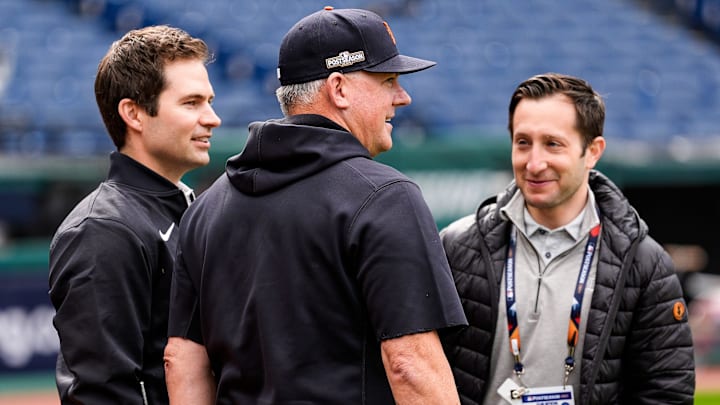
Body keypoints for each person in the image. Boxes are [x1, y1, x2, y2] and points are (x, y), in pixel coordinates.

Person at [164, 6, 467, 404]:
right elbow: (410, 366)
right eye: (388, 80)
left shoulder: (206, 208)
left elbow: (182, 360)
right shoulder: (385, 196)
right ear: (339, 88)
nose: (403, 97)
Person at [440, 73, 695, 404]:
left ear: (592, 151)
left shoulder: (644, 263)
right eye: (522, 142)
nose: (534, 163)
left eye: (552, 143)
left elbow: (666, 393)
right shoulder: (458, 246)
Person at [48, 25, 221, 404]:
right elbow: (101, 392)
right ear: (134, 114)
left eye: (209, 101)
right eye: (192, 103)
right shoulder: (102, 229)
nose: (213, 118)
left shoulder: (188, 209)